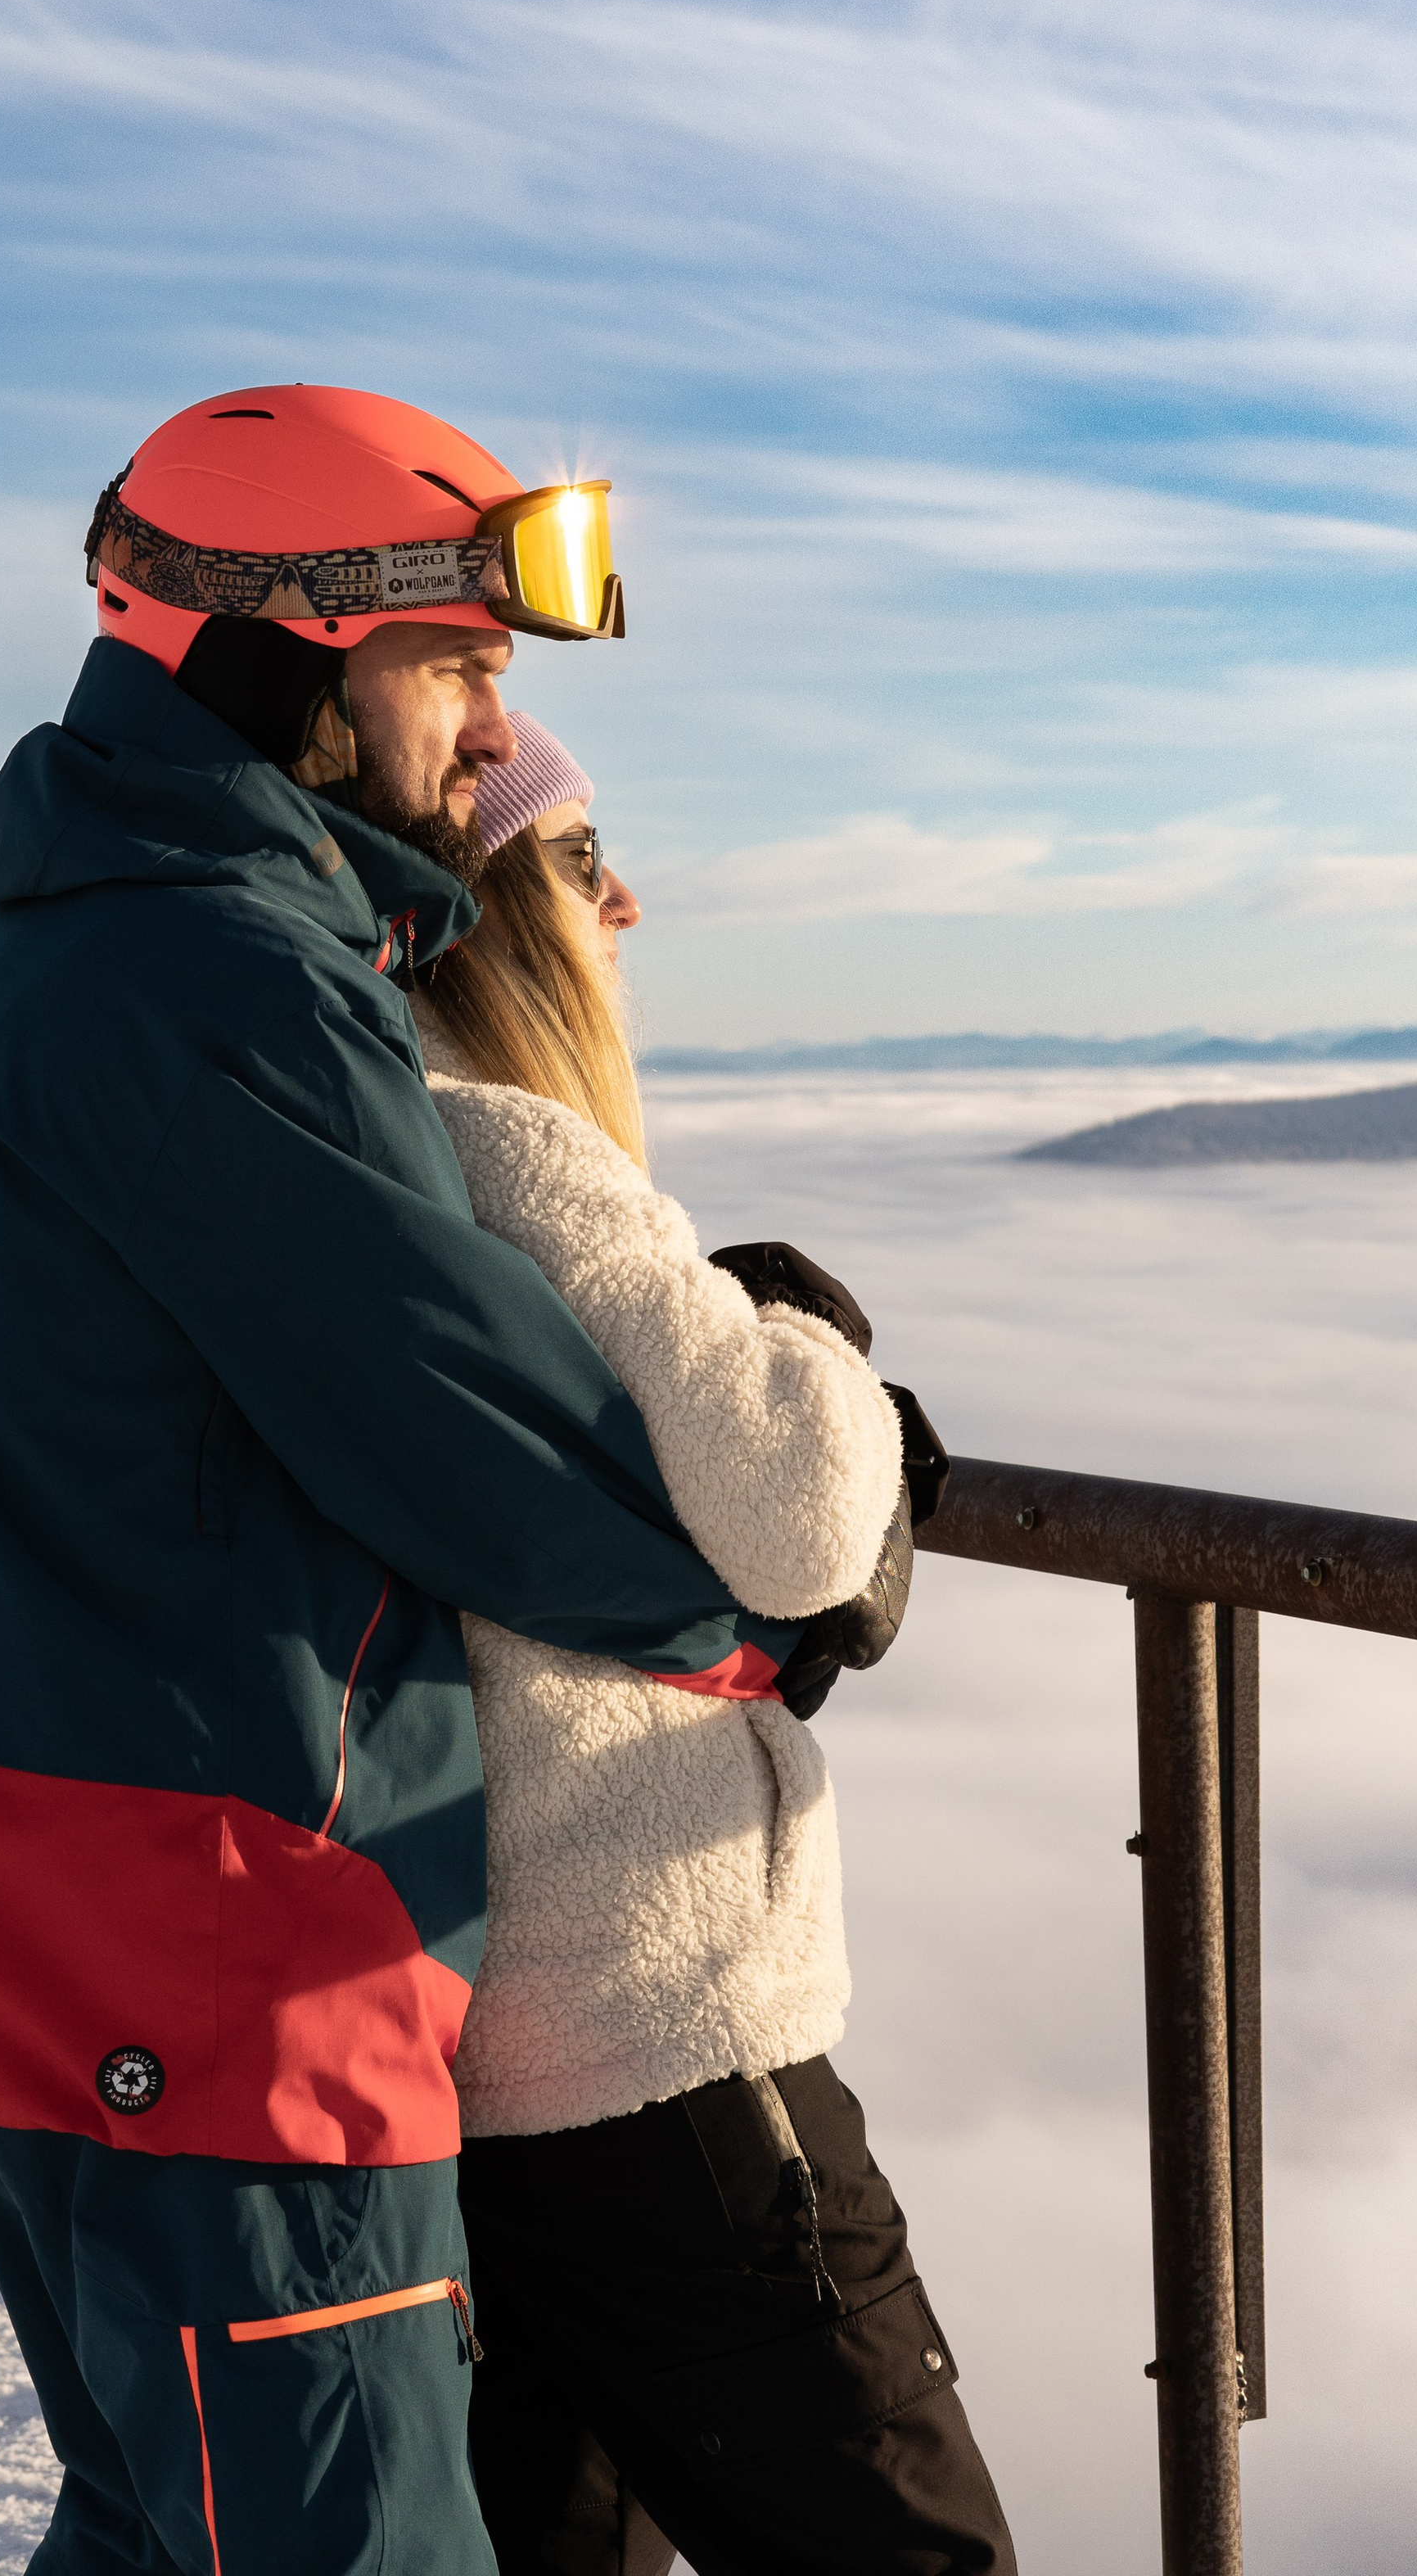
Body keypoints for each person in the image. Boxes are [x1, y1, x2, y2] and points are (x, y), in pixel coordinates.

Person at [0, 384, 806, 2576]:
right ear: (287, 653)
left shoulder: (70, 940)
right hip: (212, 1943)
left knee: (165, 2519)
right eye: (459, 663)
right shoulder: (212, 977)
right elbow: (476, 1430)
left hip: (50, 1904)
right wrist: (771, 1607)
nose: (483, 734)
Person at [410, 712, 1018, 2576]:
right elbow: (806, 1521)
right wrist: (815, 1347)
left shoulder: (339, 1139)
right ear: (499, 906)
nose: (628, 905)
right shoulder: (502, 1142)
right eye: (585, 864)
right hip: (653, 2041)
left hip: (473, 2058)